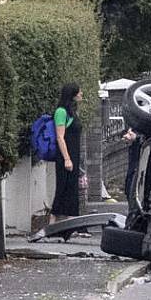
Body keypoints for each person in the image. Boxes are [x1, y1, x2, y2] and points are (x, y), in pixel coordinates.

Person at [51, 83, 85, 225]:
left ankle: (72, 222)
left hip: (74, 155)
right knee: (63, 187)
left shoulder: (72, 111)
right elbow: (60, 137)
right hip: (66, 156)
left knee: (72, 189)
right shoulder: (61, 112)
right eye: (79, 92)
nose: (81, 94)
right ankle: (52, 221)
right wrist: (67, 159)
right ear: (72, 94)